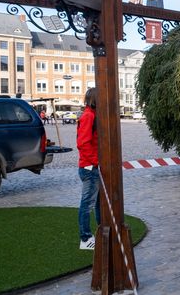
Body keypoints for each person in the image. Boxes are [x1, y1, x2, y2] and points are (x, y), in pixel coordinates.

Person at [77, 88, 100, 250]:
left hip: (92, 166)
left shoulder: (92, 115)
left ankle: (100, 233)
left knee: (98, 203)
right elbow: (82, 143)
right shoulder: (88, 116)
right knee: (88, 204)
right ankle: (85, 239)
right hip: (89, 167)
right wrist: (95, 162)